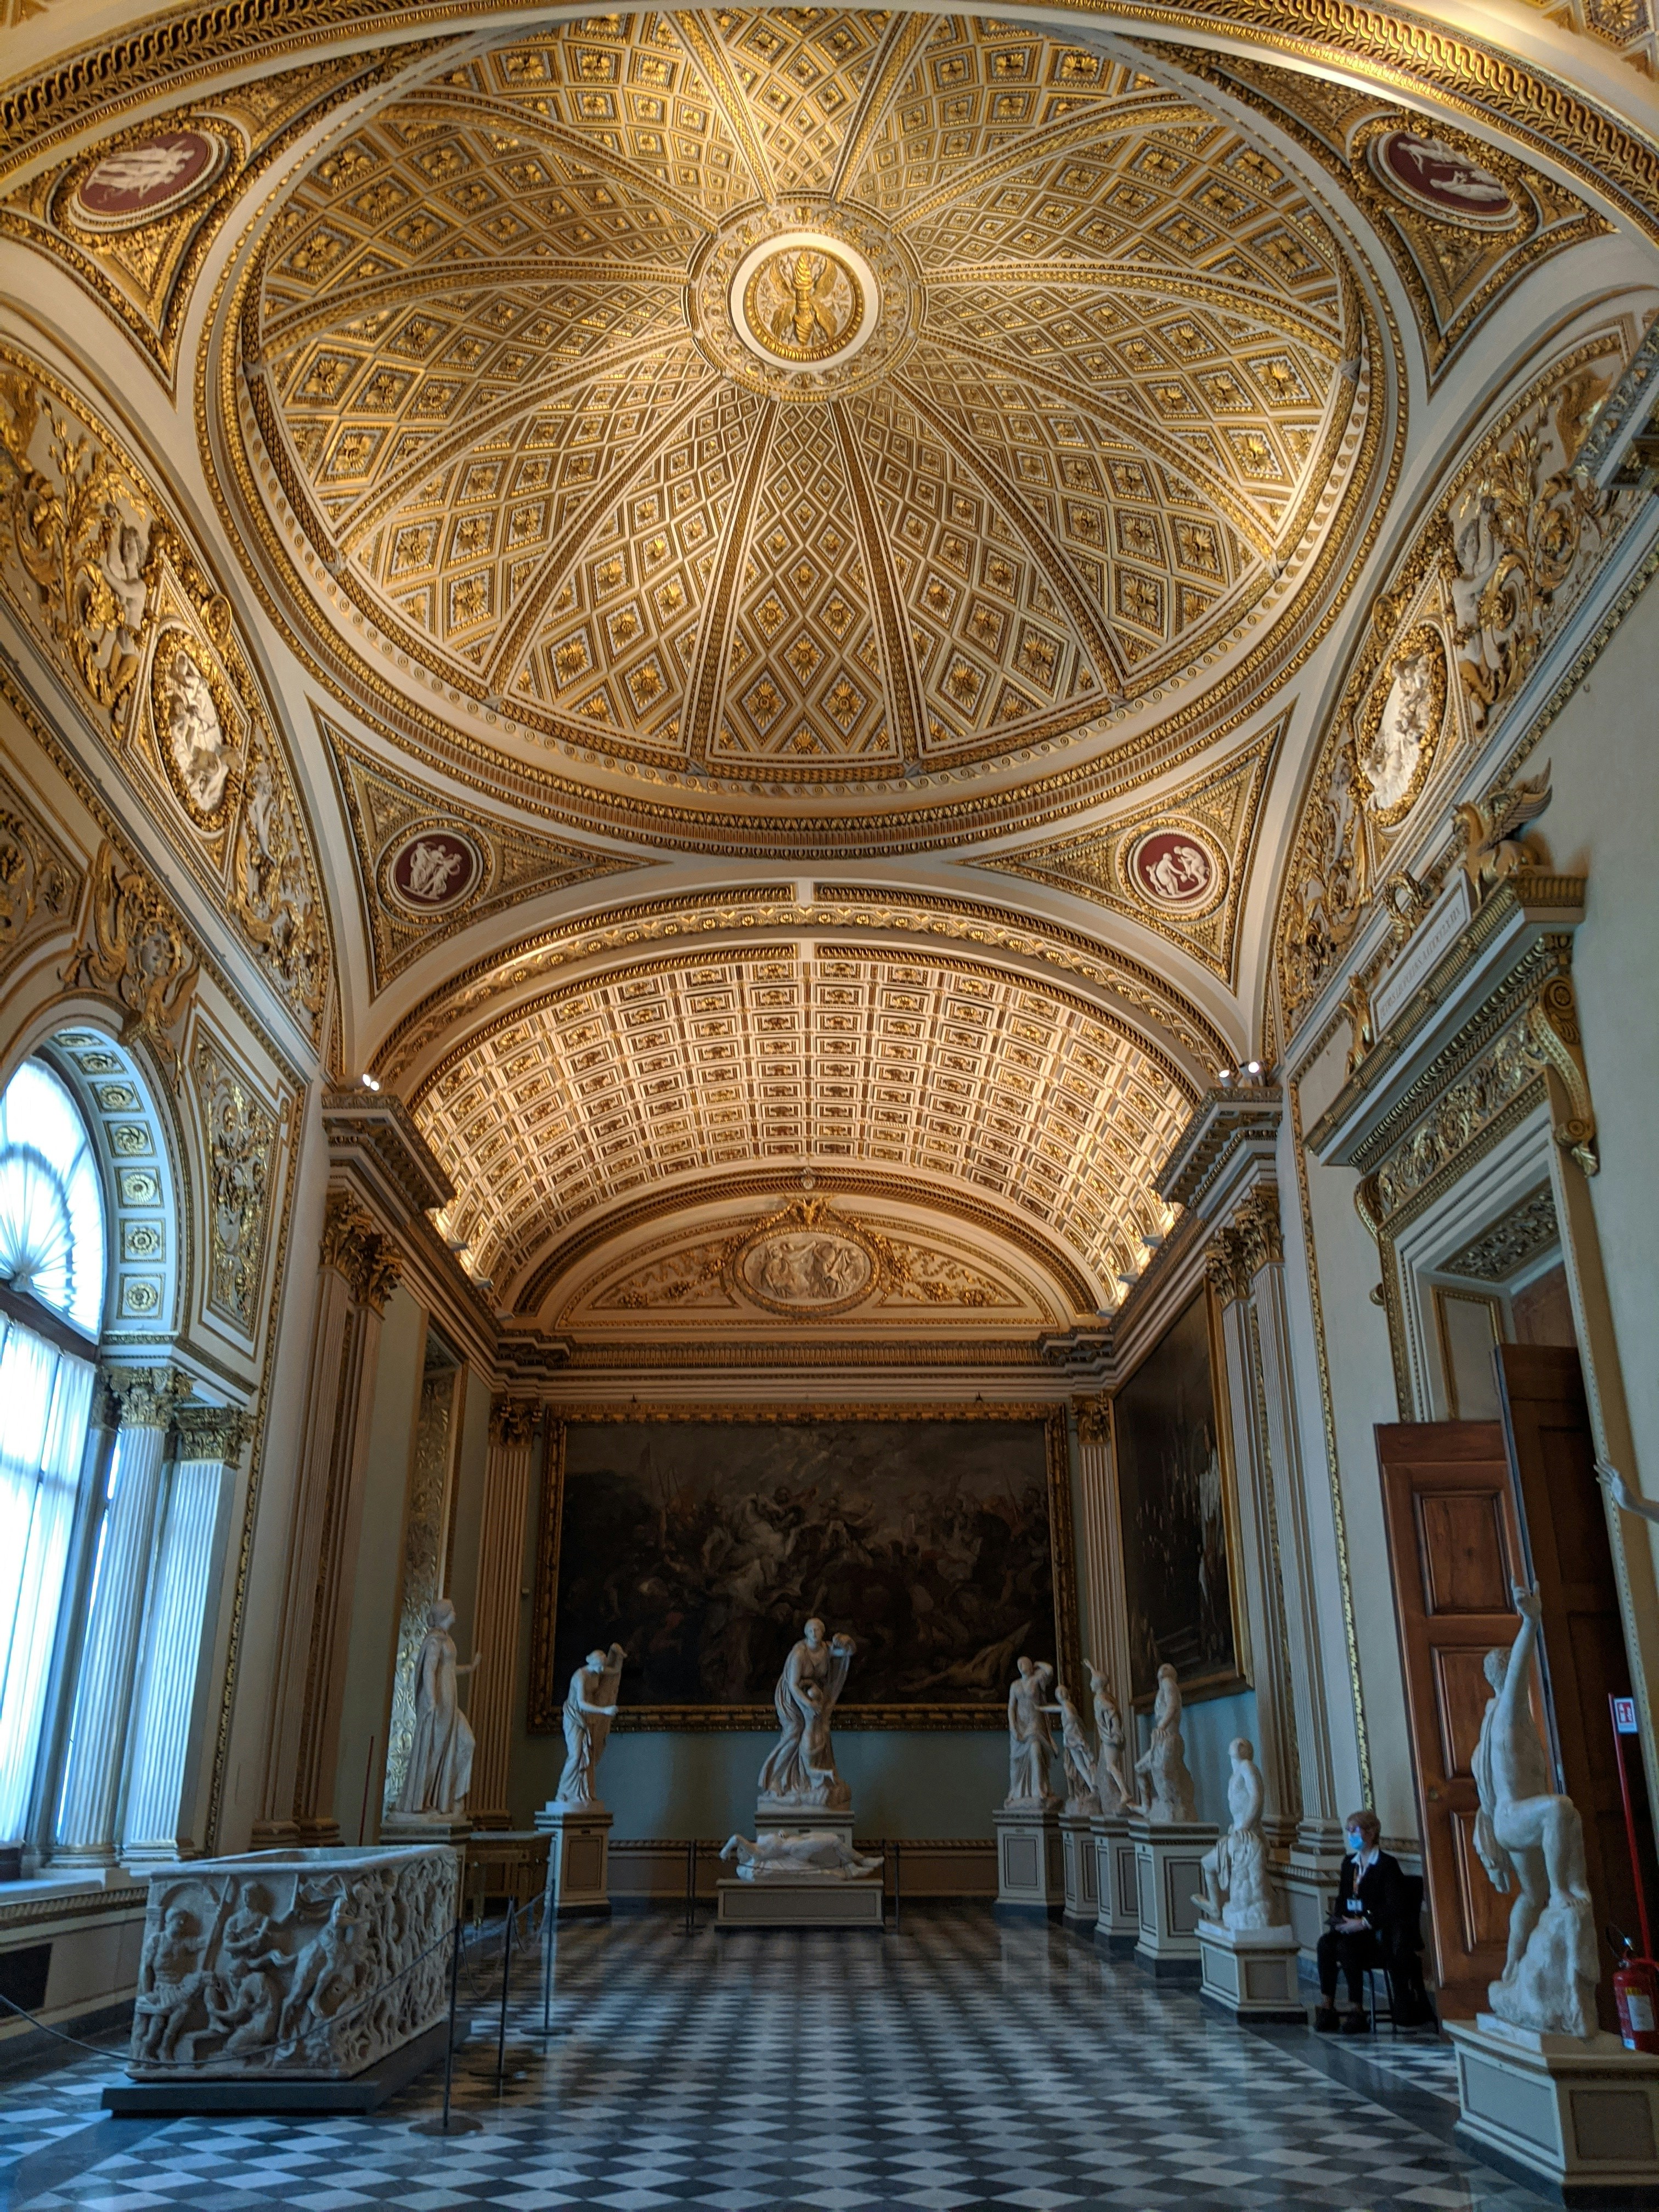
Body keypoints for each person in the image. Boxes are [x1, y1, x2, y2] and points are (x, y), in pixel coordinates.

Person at [1315, 1809, 1431, 2032]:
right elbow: (1343, 1898)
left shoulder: (1387, 1865)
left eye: (1355, 1830)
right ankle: (1327, 2007)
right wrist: (1340, 1921)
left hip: (1377, 1934)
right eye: (1348, 1830)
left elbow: (1394, 1907)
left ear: (1370, 1833)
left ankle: (1357, 2010)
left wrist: (1363, 1923)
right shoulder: (1349, 1863)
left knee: (1346, 1948)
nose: (1351, 1835)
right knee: (1325, 1944)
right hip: (1350, 1927)